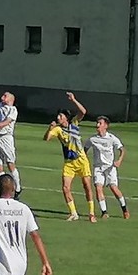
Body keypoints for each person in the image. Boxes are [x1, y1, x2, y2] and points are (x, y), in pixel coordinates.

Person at [44, 92, 96, 222]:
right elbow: (47, 138)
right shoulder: (58, 130)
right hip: (69, 163)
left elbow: (83, 112)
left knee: (87, 186)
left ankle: (91, 213)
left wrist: (73, 100)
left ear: (66, 118)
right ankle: (73, 213)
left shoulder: (74, 123)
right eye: (58, 116)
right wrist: (49, 128)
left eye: (60, 116)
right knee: (65, 188)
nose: (58, 117)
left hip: (81, 160)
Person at [87, 116, 129, 219]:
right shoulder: (92, 139)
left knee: (114, 188)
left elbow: (122, 150)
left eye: (100, 123)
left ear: (106, 126)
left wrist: (119, 161)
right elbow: (84, 150)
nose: (97, 125)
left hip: (110, 167)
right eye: (97, 123)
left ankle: (125, 209)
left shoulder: (112, 138)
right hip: (98, 168)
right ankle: (104, 212)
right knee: (98, 188)